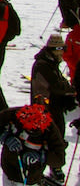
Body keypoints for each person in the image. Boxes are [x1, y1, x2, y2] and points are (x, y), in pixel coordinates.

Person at [0, 101, 67, 186]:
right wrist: (5, 136)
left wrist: (42, 156)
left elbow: (60, 159)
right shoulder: (12, 115)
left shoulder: (50, 129)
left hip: (31, 176)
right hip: (9, 168)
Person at [31, 33, 77, 161]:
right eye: (58, 50)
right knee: (50, 139)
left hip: (54, 106)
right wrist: (72, 91)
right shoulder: (43, 65)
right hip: (45, 109)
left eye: (63, 49)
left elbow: (60, 83)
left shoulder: (51, 63)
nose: (61, 54)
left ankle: (54, 165)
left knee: (57, 137)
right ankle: (51, 165)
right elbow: (56, 86)